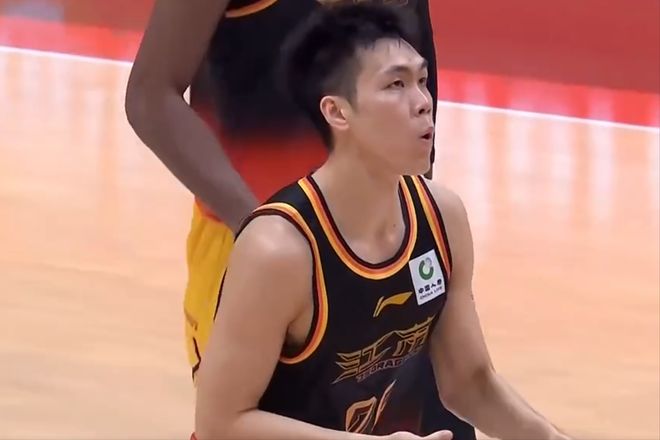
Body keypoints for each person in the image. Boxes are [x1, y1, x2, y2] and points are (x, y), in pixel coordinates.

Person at [194, 3, 573, 439]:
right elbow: (220, 424)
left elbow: (469, 383)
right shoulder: (278, 250)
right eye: (396, 84)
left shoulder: (441, 216)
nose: (423, 103)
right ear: (338, 113)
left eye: (423, 81)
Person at [125, 0, 475, 437]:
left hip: (389, 249)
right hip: (257, 252)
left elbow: (412, 77)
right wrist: (272, 234)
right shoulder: (272, 252)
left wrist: (415, 226)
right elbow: (150, 96)